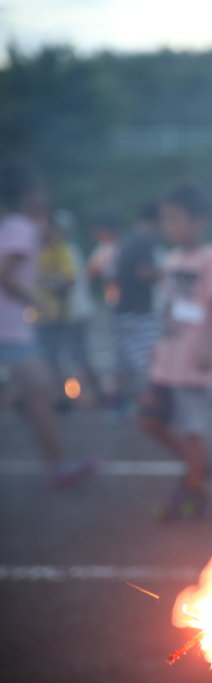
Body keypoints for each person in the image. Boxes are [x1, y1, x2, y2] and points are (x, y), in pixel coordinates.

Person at [0, 161, 96, 487]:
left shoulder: (16, 226)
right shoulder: (21, 228)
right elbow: (5, 272)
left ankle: (58, 463)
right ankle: (58, 465)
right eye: (40, 192)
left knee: (35, 391)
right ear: (29, 195)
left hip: (13, 328)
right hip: (10, 327)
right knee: (39, 390)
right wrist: (34, 299)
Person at [140, 183, 212, 522]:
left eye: (175, 218)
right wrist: (154, 347)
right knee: (149, 419)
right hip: (167, 358)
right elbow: (167, 308)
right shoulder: (172, 258)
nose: (168, 226)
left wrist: (208, 347)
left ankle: (196, 495)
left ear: (199, 221)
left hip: (194, 362)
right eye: (165, 219)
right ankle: (200, 467)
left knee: (193, 431)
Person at [35, 210, 103, 407]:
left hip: (74, 313)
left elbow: (69, 282)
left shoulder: (66, 250)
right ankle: (62, 396)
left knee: (76, 356)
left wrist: (47, 284)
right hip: (57, 314)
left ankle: (96, 394)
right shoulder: (48, 250)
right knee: (55, 356)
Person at [110, 201, 162, 414]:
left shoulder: (128, 240)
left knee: (122, 365)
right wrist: (168, 273)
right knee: (149, 363)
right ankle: (149, 407)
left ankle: (117, 409)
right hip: (139, 313)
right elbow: (144, 273)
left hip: (122, 310)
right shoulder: (144, 242)